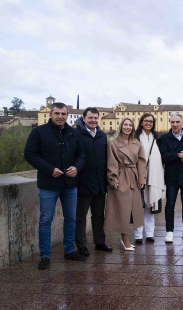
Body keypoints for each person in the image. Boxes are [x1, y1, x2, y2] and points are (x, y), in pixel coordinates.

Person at [24, 102, 87, 270]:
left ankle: (69, 251)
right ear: (51, 114)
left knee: (71, 218)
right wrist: (49, 169)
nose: (60, 116)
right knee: (45, 220)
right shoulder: (38, 132)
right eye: (57, 113)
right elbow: (29, 154)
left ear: (67, 115)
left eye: (63, 114)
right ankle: (45, 255)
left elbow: (81, 155)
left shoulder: (74, 133)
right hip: (48, 184)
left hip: (70, 184)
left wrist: (76, 167)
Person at [104, 118, 147, 251]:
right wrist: (113, 178)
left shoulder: (136, 142)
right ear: (121, 126)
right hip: (120, 177)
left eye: (130, 125)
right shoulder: (113, 142)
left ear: (133, 128)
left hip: (133, 177)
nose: (127, 127)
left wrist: (141, 179)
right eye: (125, 125)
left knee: (133, 210)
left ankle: (126, 238)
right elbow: (111, 161)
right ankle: (124, 238)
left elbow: (141, 162)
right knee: (122, 209)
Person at [74, 107, 112, 256]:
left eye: (96, 118)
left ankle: (100, 242)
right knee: (80, 217)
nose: (93, 120)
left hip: (100, 183)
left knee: (98, 215)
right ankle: (81, 246)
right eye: (90, 118)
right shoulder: (76, 134)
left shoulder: (102, 135)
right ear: (83, 118)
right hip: (82, 183)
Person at [159, 113, 183, 243]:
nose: (175, 124)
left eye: (177, 122)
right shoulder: (165, 138)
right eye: (172, 122)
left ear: (182, 123)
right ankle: (169, 232)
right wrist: (178, 155)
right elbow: (164, 155)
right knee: (170, 204)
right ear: (170, 123)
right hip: (172, 177)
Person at [133, 113, 165, 245]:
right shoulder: (135, 137)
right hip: (138, 175)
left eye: (151, 122)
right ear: (141, 122)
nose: (148, 123)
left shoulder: (157, 138)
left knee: (150, 206)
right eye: (146, 121)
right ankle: (138, 235)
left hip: (154, 175)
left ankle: (150, 234)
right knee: (138, 207)